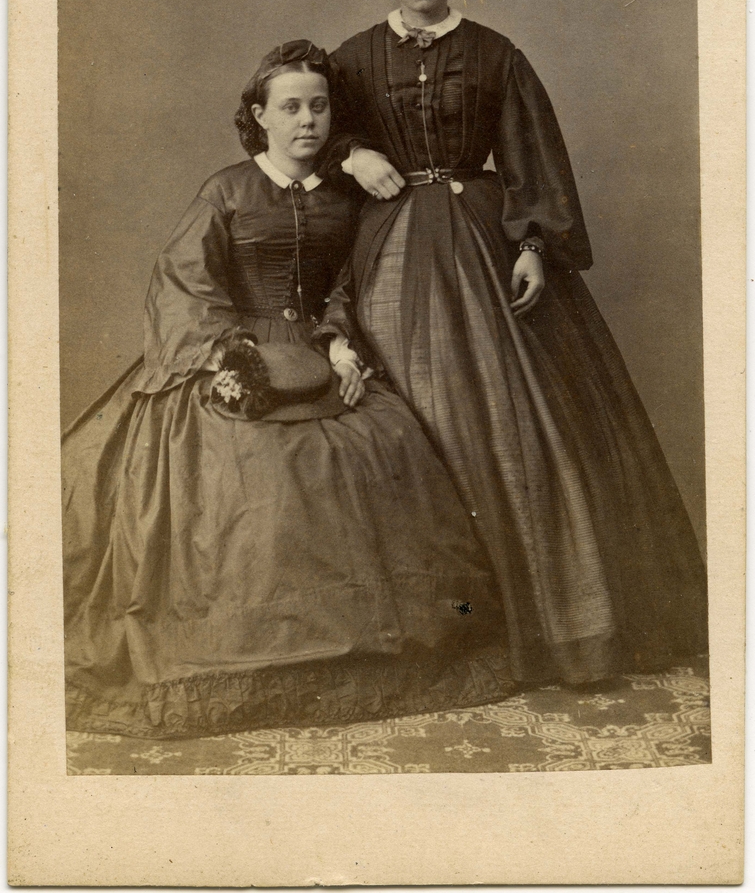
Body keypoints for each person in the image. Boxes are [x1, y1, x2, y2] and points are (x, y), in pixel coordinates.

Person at [62, 40, 516, 740]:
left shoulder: (347, 197)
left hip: (318, 351)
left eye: (319, 106)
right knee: (248, 479)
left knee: (380, 447)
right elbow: (184, 284)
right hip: (232, 352)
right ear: (260, 117)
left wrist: (338, 342)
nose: (307, 120)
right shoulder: (226, 191)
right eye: (291, 108)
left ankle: (359, 656)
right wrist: (230, 356)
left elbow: (348, 284)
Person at [320, 0, 708, 687]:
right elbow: (304, 128)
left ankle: (562, 625)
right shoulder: (352, 60)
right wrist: (354, 153)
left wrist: (531, 246)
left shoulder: (496, 55)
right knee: (414, 407)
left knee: (517, 418)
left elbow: (532, 156)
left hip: (482, 240)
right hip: (390, 250)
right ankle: (446, 628)